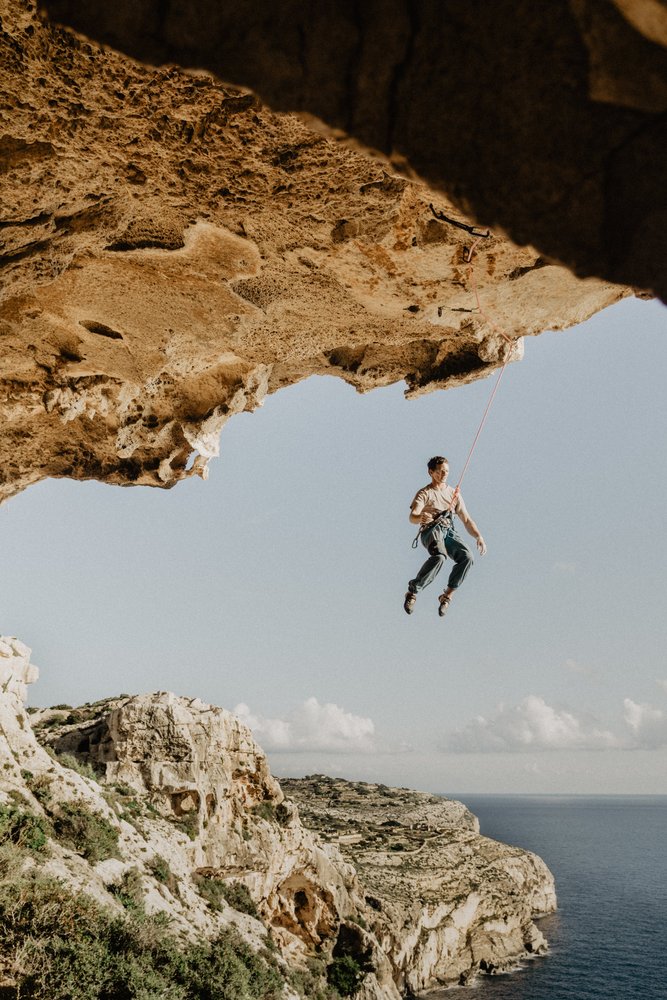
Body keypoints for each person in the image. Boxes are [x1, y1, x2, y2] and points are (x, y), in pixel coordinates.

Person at [404, 456, 487, 618]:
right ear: (431, 472)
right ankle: (412, 592)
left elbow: (467, 519)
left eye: (447, 471)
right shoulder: (425, 493)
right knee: (440, 557)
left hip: (448, 531)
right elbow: (412, 516)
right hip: (431, 531)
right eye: (440, 471)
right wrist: (421, 517)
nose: (444, 474)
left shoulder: (453, 494)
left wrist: (479, 537)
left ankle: (447, 595)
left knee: (467, 557)